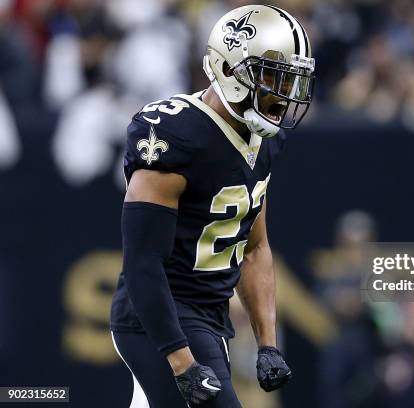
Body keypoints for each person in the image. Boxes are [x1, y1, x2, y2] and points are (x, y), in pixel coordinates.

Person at [109, 5, 315, 407]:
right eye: (273, 76)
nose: (284, 94)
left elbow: (253, 247)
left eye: (291, 80)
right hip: (158, 315)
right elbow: (142, 261)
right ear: (230, 68)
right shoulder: (173, 134)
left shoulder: (265, 139)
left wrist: (267, 344)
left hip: (208, 316)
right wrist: (181, 360)